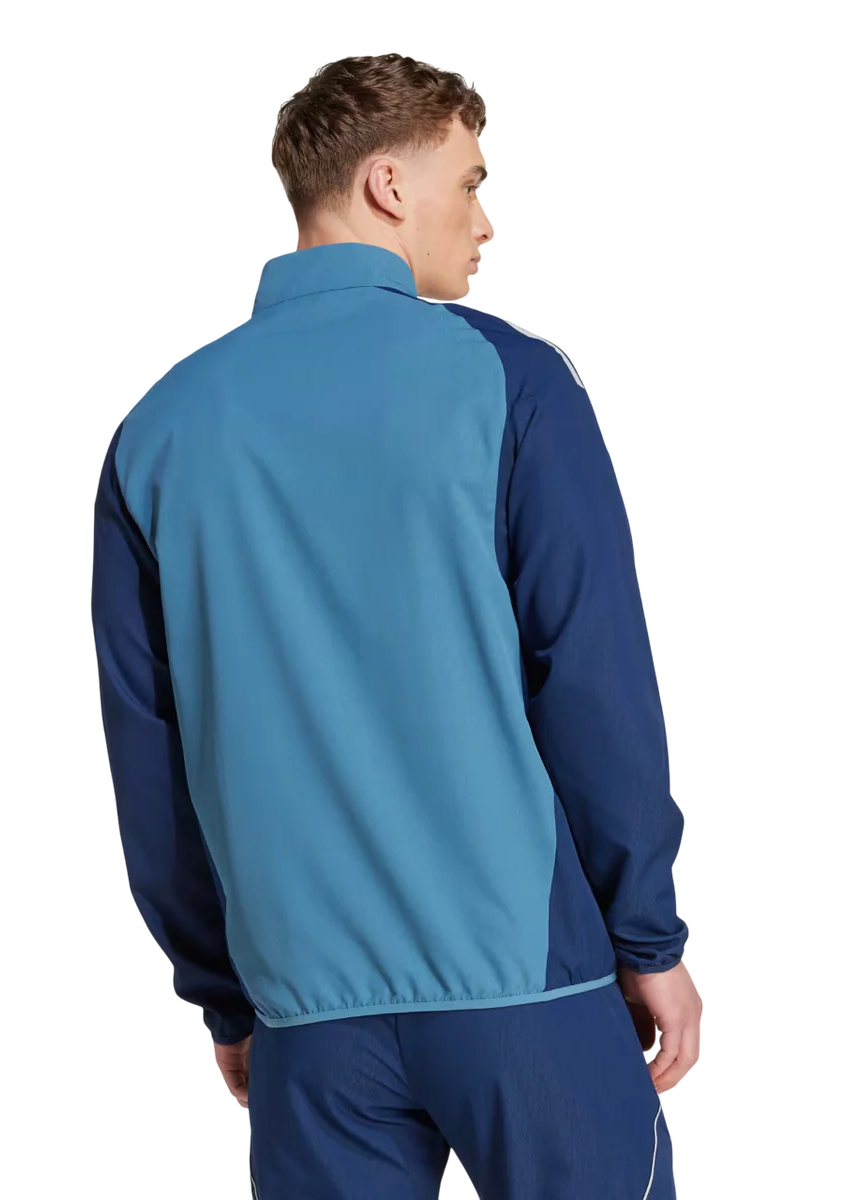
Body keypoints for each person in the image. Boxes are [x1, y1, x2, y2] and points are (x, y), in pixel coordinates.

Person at [92, 50, 704, 1200]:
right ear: (386, 184)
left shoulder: (160, 424)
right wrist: (651, 943)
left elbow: (151, 756)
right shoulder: (510, 380)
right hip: (525, 989)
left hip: (306, 1013)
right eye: (471, 184)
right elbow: (593, 685)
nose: (486, 222)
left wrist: (228, 994)